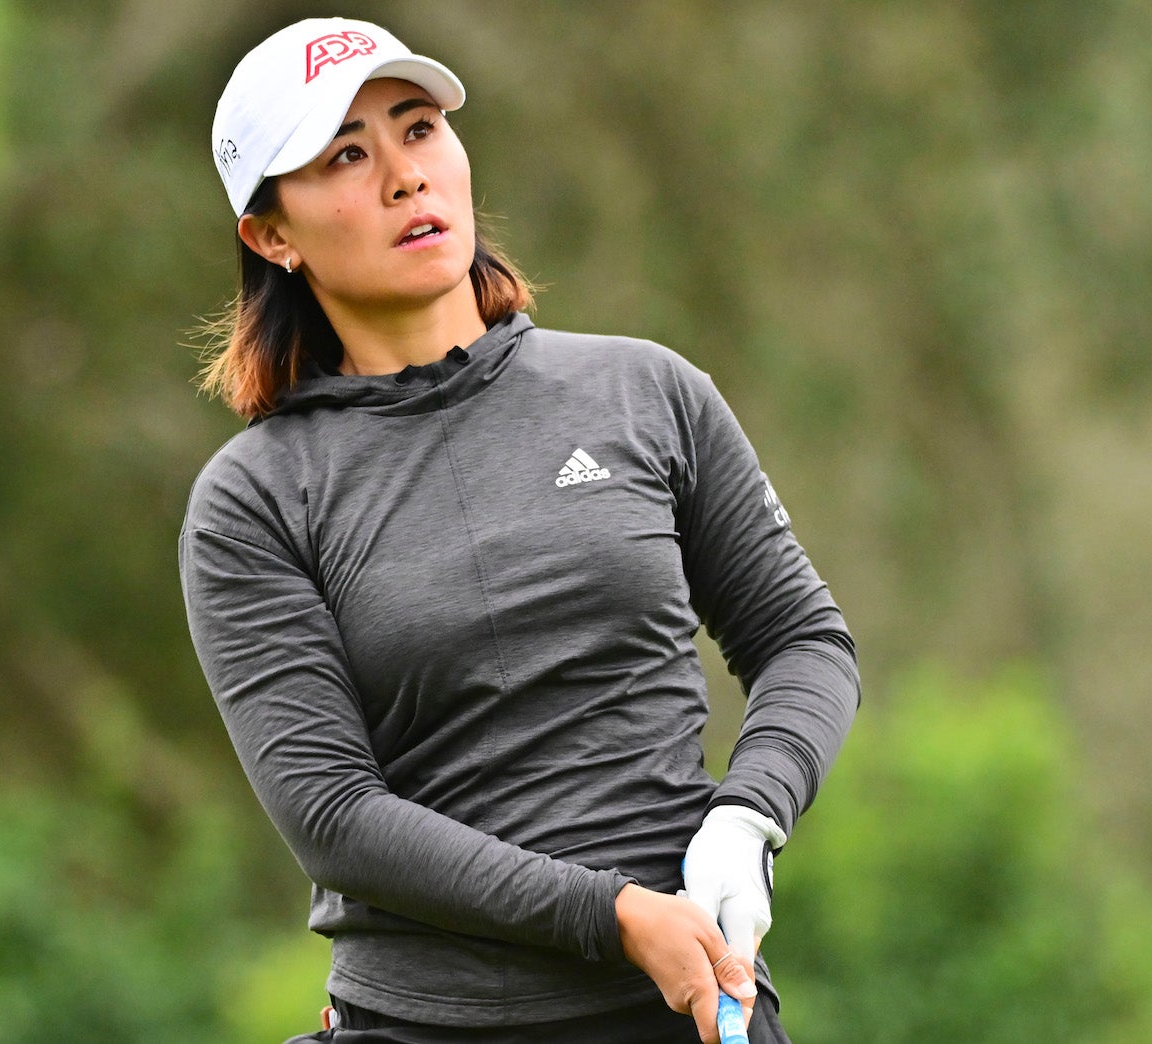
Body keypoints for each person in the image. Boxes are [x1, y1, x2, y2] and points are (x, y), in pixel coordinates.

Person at [178, 17, 859, 1044]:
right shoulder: (255, 502)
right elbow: (332, 818)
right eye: (345, 157)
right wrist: (609, 914)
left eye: (416, 129)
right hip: (424, 1023)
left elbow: (802, 643)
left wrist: (746, 816)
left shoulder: (642, 393)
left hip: (685, 1008)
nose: (404, 176)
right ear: (271, 234)